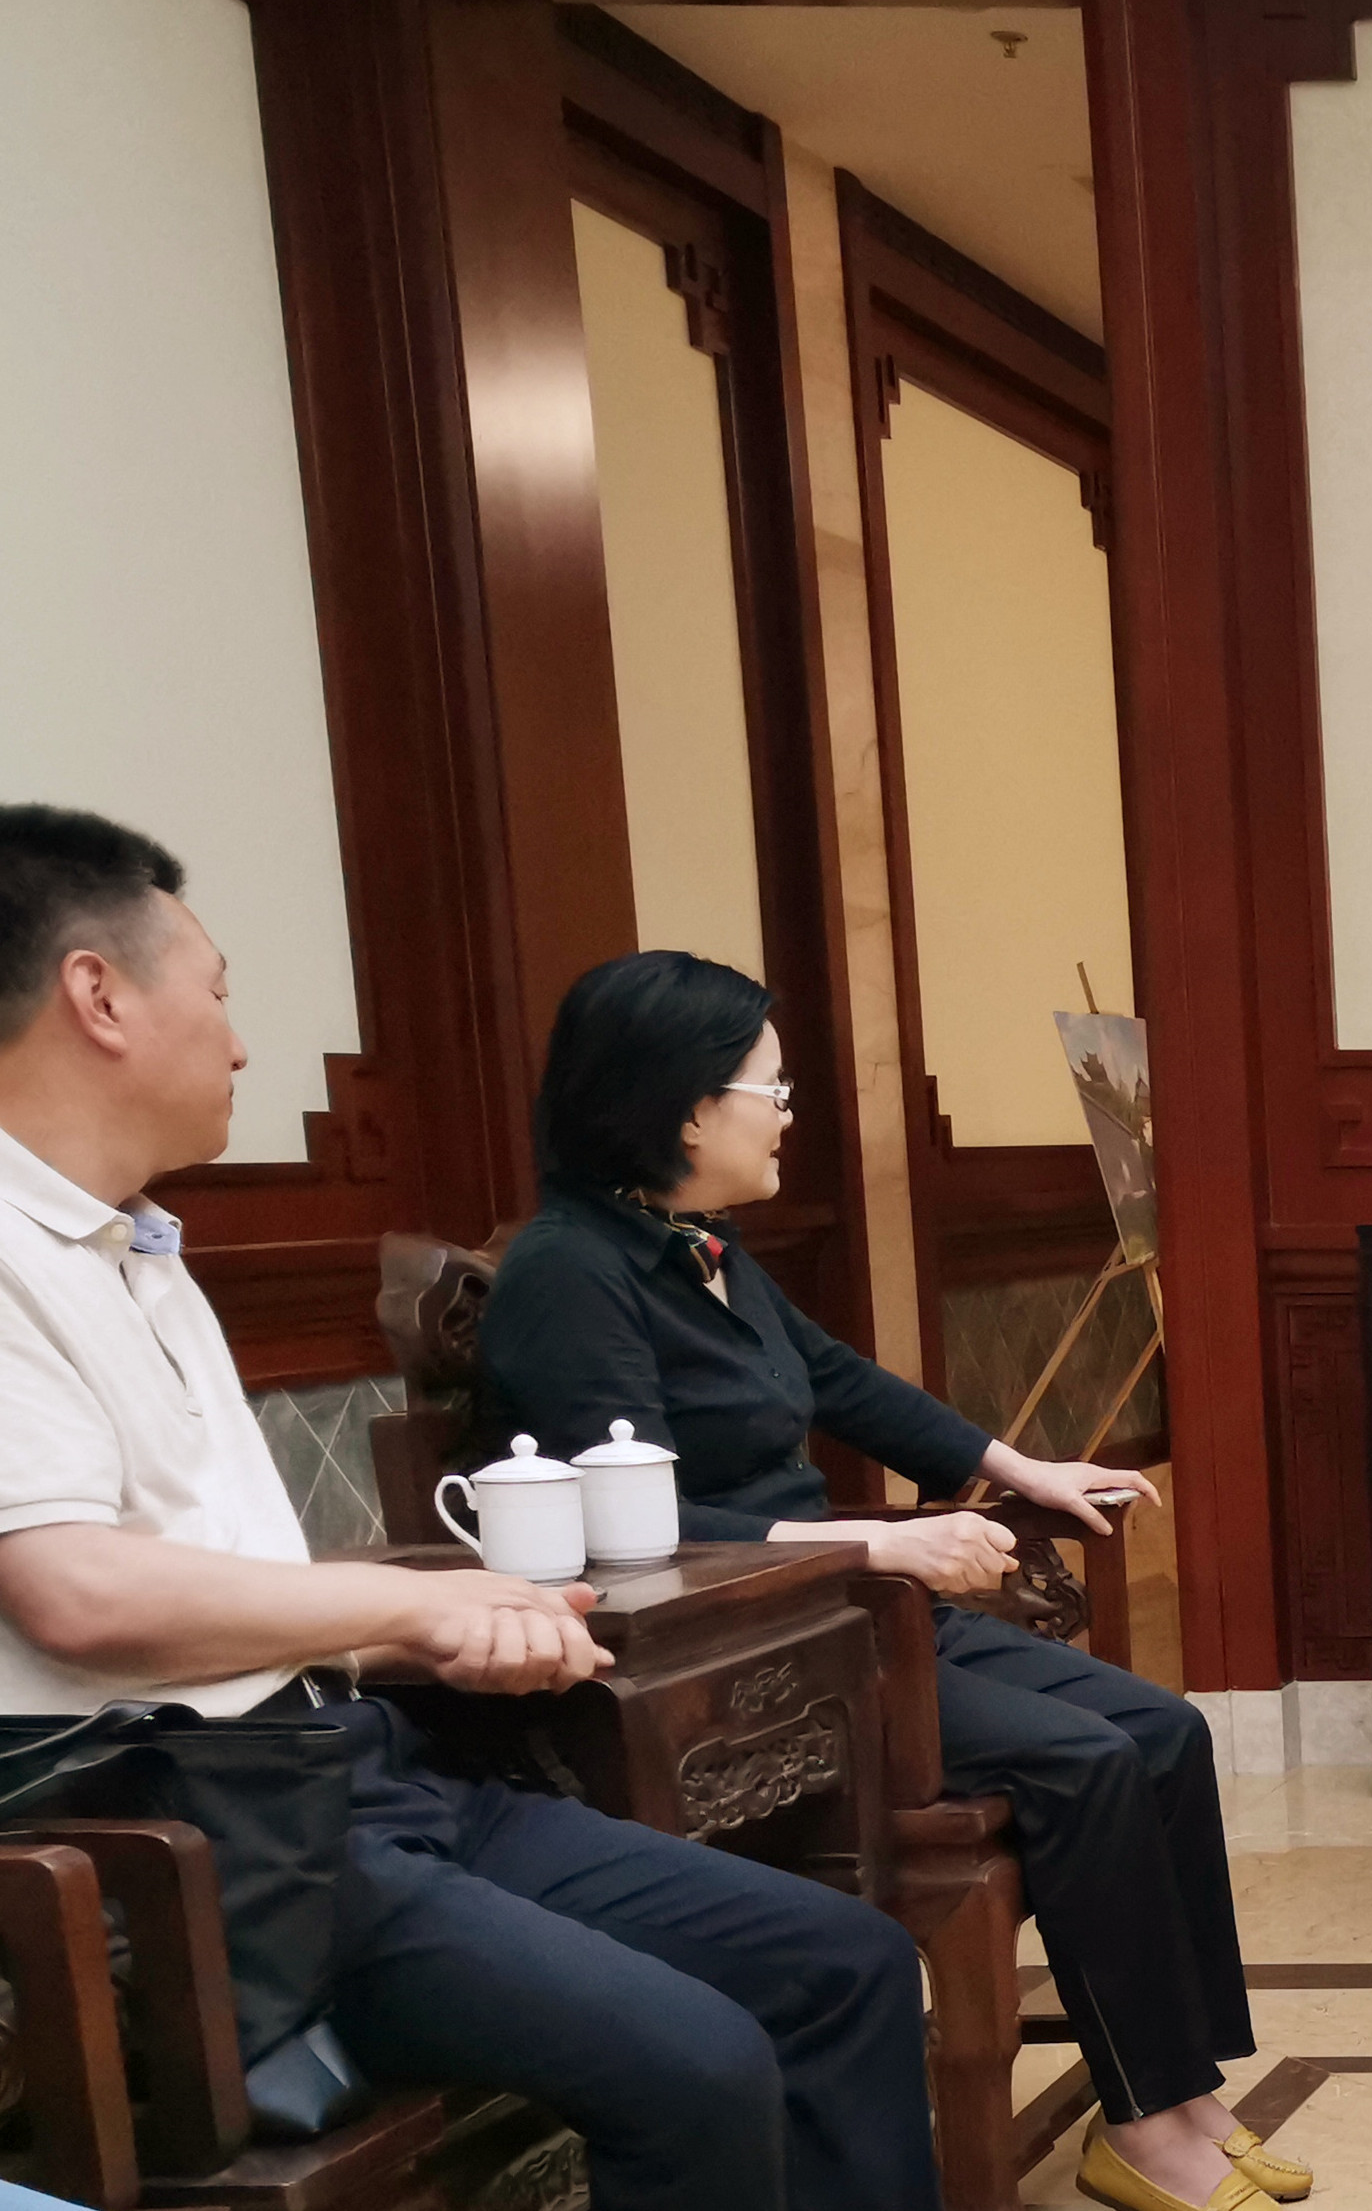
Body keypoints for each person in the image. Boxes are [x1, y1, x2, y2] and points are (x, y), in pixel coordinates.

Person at [0, 807, 934, 2211]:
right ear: (98, 994)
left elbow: (216, 1597)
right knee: (700, 2066)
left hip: (341, 1776)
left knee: (845, 1960)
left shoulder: (133, 1243)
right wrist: (412, 1604)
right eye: (220, 991)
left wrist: (434, 1630)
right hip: (200, 1851)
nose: (241, 1044)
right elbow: (74, 1594)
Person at [469, 952, 1295, 2211]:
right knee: (1082, 1762)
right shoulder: (569, 1272)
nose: (787, 1113)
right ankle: (1143, 2124)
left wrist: (1021, 1469)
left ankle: (1180, 2092)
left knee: (1164, 1732)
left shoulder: (702, 1247)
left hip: (843, 1614)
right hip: (743, 1657)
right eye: (771, 1089)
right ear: (687, 1109)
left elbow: (843, 1383)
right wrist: (876, 1545)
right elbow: (631, 1521)